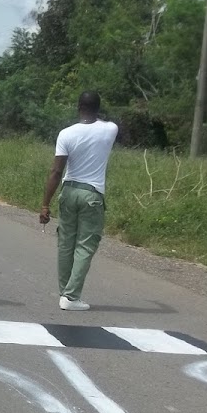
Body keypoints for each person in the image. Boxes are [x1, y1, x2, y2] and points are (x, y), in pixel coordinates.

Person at [38, 91, 118, 311]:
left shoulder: (66, 134)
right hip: (92, 193)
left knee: (66, 244)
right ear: (98, 108)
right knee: (85, 245)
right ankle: (71, 297)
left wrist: (45, 204)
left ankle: (65, 292)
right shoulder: (110, 129)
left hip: (69, 190)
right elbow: (109, 122)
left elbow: (55, 171)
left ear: (78, 107)